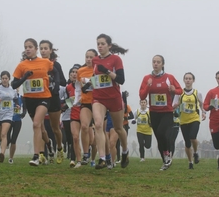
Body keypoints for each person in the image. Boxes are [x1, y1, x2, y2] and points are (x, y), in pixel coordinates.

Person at [11, 38, 54, 166]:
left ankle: (36, 156)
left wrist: (55, 83)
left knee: (36, 124)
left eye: (30, 46)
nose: (28, 49)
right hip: (29, 100)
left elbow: (56, 72)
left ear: (36, 49)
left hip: (44, 97)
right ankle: (49, 143)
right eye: (26, 47)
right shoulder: (22, 65)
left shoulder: (45, 62)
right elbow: (14, 84)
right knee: (40, 128)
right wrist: (24, 77)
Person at [91, 34, 130, 169]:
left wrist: (106, 71)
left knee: (119, 128)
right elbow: (96, 78)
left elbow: (121, 79)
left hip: (114, 98)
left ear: (109, 46)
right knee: (98, 124)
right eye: (98, 44)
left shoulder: (115, 59)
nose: (100, 46)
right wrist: (89, 84)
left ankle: (125, 151)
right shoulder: (95, 60)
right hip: (99, 97)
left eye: (102, 44)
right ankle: (102, 158)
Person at [139, 55, 183, 171]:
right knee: (158, 137)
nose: (156, 64)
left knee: (162, 132)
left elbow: (180, 90)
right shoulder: (147, 78)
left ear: (163, 64)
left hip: (167, 112)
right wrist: (148, 86)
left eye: (158, 62)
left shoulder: (169, 77)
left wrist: (174, 90)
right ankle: (165, 161)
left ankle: (168, 153)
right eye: (154, 62)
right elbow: (142, 96)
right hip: (154, 112)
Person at [39, 40, 66, 164]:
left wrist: (54, 84)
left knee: (55, 128)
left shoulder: (56, 65)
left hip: (53, 97)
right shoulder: (36, 64)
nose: (43, 51)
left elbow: (63, 82)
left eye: (46, 48)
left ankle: (59, 148)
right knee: (39, 126)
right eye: (41, 48)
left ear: (50, 50)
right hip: (40, 98)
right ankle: (44, 151)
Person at [172, 72, 206, 169]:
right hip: (183, 120)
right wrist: (175, 107)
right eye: (186, 78)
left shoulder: (197, 93)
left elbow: (201, 104)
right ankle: (190, 162)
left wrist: (203, 112)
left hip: (194, 118)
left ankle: (195, 152)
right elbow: (174, 104)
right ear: (184, 80)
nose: (188, 80)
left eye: (190, 78)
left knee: (192, 137)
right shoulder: (179, 93)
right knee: (187, 143)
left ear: (193, 80)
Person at [77, 49, 98, 165]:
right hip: (85, 103)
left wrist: (92, 83)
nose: (89, 59)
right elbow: (79, 87)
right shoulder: (81, 71)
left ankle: (106, 156)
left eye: (91, 57)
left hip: (98, 103)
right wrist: (77, 99)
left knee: (100, 130)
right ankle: (86, 154)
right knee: (84, 126)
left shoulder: (99, 70)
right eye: (87, 57)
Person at [60, 65, 80, 167]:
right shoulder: (67, 88)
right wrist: (62, 107)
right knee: (68, 139)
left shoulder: (83, 86)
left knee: (75, 137)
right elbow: (65, 101)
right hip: (67, 116)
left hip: (80, 115)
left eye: (76, 72)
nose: (74, 74)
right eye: (72, 72)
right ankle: (71, 153)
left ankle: (73, 158)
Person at [7, 87, 26, 164]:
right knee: (8, 138)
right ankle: (5, 144)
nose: (16, 89)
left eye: (17, 88)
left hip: (18, 121)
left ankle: (11, 158)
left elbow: (25, 108)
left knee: (13, 140)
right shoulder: (8, 97)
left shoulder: (21, 98)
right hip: (8, 120)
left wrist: (23, 113)